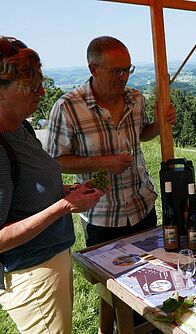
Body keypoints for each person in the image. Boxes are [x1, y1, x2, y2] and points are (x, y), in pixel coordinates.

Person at [45, 35, 175, 332]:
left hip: (142, 206)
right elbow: (55, 161)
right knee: (117, 291)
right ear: (93, 68)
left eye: (128, 69)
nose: (123, 77)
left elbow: (143, 135)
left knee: (151, 283)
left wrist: (160, 123)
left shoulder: (136, 99)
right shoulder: (67, 108)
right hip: (102, 216)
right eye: (116, 71)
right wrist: (103, 162)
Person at [0, 36, 105, 333]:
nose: (42, 92)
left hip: (50, 261)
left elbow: (26, 193)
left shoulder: (21, 127)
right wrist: (63, 206)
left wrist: (62, 193)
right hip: (30, 272)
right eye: (31, 87)